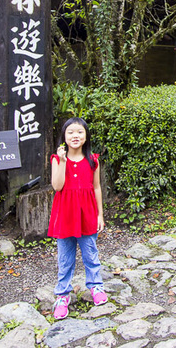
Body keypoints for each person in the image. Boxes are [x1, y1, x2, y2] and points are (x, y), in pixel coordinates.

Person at [48, 117, 107, 319]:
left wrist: (100, 214)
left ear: (86, 136)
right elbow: (57, 186)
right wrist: (63, 161)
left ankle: (96, 287)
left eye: (80, 132)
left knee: (90, 253)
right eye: (71, 132)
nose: (75, 136)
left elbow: (97, 187)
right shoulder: (57, 160)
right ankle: (62, 295)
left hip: (87, 213)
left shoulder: (93, 160)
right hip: (65, 215)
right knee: (65, 258)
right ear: (64, 136)